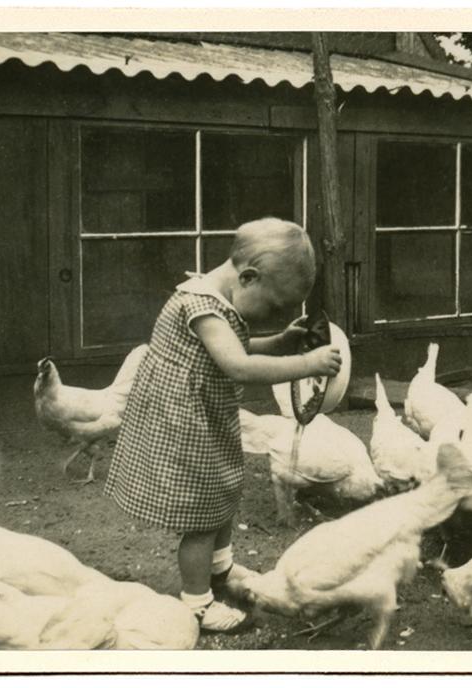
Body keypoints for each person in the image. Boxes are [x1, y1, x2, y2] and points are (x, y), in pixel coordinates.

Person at [105, 217, 341, 633]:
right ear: (248, 278)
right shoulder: (200, 306)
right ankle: (197, 604)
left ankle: (221, 570)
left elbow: (239, 346)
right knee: (200, 516)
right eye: (273, 306)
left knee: (220, 496)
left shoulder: (218, 302)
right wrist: (306, 363)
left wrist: (281, 340)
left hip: (203, 419)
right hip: (183, 427)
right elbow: (237, 364)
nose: (272, 315)